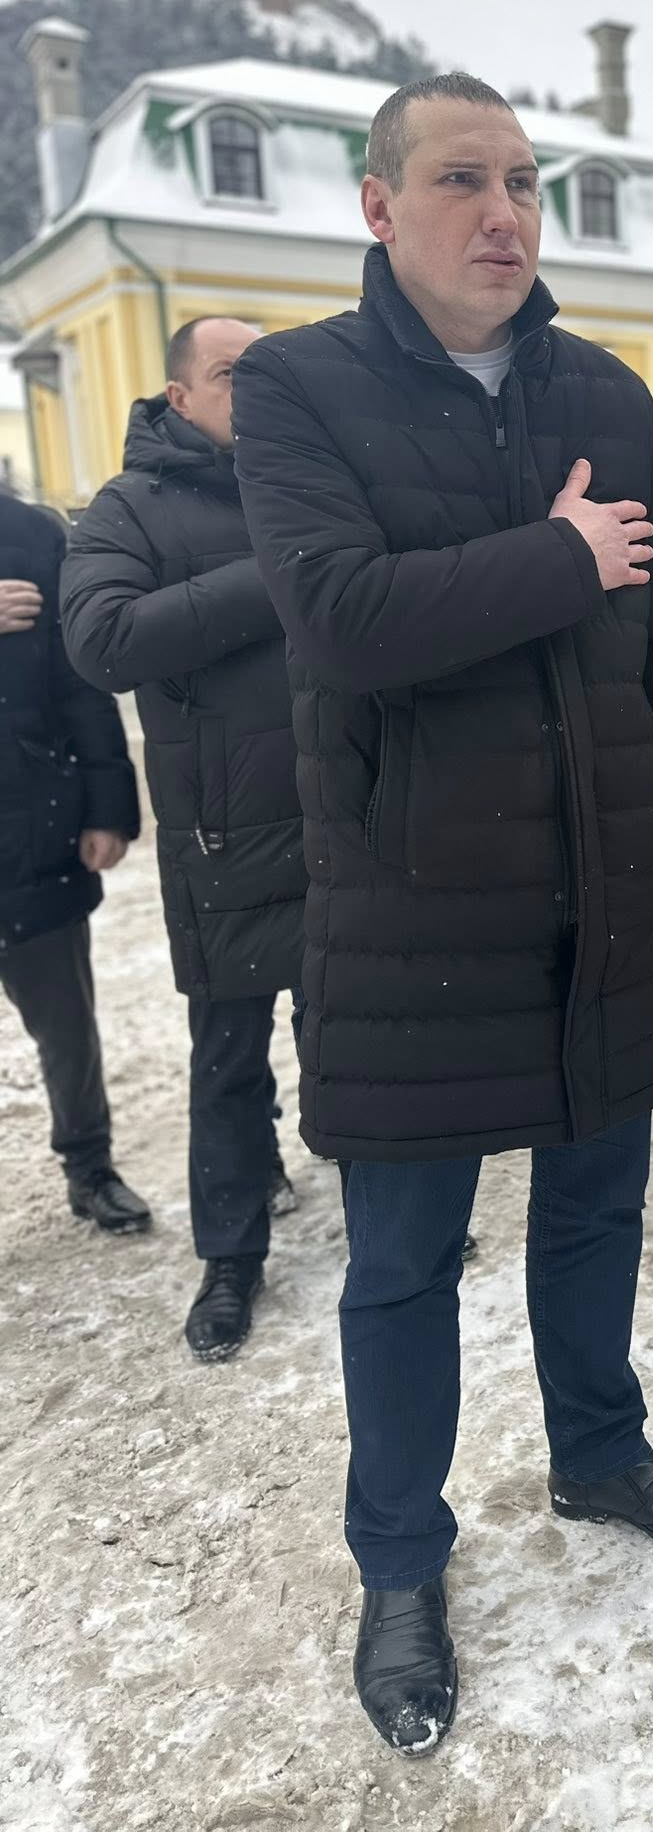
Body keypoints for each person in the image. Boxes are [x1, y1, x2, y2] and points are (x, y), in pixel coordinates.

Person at [231, 72, 653, 1756]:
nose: (505, 212)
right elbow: (337, 619)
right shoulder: (301, 387)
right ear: (379, 208)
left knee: (598, 1204)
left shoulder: (602, 387)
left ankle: (599, 1451)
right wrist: (554, 556)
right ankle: (401, 1560)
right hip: (411, 905)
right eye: (463, 178)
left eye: (525, 181)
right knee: (402, 1264)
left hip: (605, 884)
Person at [61, 319, 308, 1360]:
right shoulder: (129, 505)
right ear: (179, 395)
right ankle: (231, 1258)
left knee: (351, 1036)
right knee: (229, 1059)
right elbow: (102, 639)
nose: (253, 388)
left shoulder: (307, 480)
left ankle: (388, 1207)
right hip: (223, 833)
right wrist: (274, 577)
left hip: (336, 815)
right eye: (230, 373)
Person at [0, 488, 145, 1232]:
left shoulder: (31, 533)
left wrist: (107, 808)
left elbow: (82, 680)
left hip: (33, 826)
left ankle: (89, 1169)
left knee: (66, 1027)